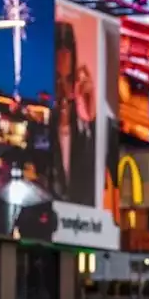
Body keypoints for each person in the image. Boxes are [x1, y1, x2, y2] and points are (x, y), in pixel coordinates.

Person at [53, 21, 96, 205]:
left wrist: (91, 107)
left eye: (69, 79)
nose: (63, 90)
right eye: (57, 79)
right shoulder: (38, 130)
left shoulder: (86, 136)